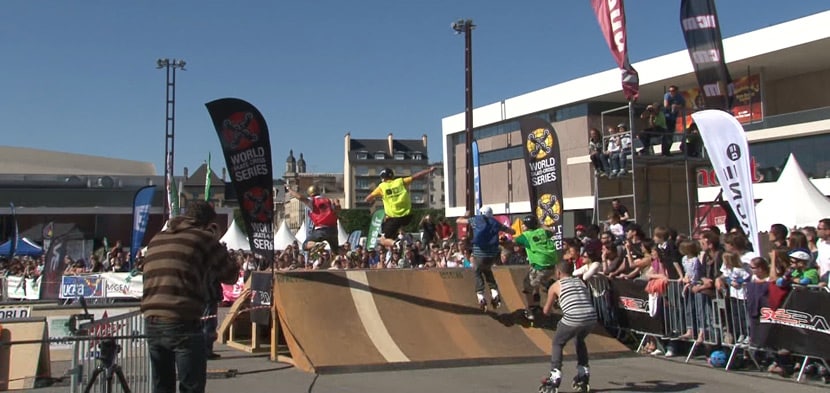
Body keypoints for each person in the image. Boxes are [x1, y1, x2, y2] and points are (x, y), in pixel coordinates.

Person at [141, 200, 239, 393]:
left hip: (151, 318)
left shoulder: (157, 238)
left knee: (162, 385)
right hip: (181, 318)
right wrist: (215, 239)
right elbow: (231, 275)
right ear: (208, 223)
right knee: (191, 385)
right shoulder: (202, 238)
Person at [540, 262, 597, 393]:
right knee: (579, 339)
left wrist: (552, 302)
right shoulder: (581, 282)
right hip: (591, 317)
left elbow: (546, 311)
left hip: (574, 318)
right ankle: (583, 373)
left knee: (557, 343)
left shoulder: (555, 286)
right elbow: (580, 301)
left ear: (558, 273)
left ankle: (555, 375)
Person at [456, 206, 516, 310]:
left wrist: (465, 215)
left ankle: (481, 296)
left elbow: (459, 221)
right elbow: (512, 232)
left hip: (480, 253)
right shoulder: (496, 223)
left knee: (477, 271)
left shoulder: (476, 220)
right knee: (488, 271)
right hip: (492, 254)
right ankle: (494, 292)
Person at [364, 166, 436, 249]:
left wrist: (373, 201)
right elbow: (416, 176)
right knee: (392, 231)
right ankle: (397, 242)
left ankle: (397, 243)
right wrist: (429, 170)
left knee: (383, 240)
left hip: (394, 218)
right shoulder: (400, 181)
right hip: (408, 216)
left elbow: (367, 199)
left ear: (383, 179)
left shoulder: (382, 187)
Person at [513, 215, 559, 321]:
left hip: (540, 265)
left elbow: (513, 241)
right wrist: (541, 224)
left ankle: (531, 309)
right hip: (551, 265)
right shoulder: (542, 232)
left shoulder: (526, 236)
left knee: (527, 284)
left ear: (526, 226)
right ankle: (541, 298)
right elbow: (552, 231)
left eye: (524, 225)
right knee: (539, 280)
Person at [287, 184, 341, 259]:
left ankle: (316, 245)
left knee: (305, 245)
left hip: (321, 229)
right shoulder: (328, 201)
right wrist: (337, 205)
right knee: (336, 251)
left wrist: (290, 190)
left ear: (310, 194)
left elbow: (300, 197)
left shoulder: (313, 201)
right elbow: (337, 210)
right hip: (333, 229)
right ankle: (349, 253)